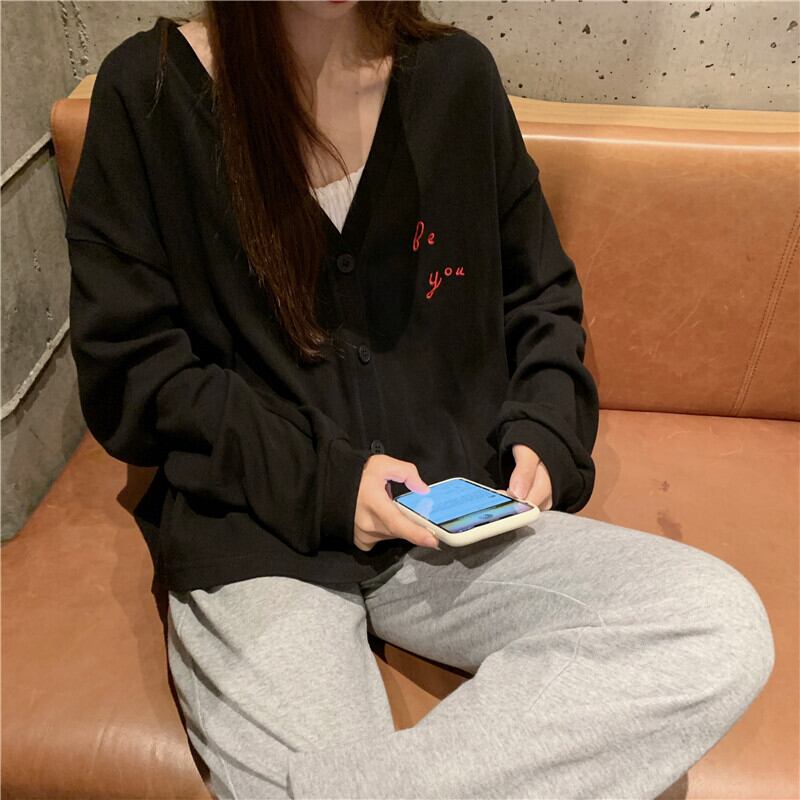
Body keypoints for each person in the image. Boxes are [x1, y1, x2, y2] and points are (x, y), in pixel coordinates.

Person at [65, 2, 775, 798]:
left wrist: (546, 427)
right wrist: (330, 484)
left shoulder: (455, 79)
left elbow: (539, 295)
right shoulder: (151, 95)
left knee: (713, 623)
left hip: (450, 520)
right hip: (258, 536)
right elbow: (132, 374)